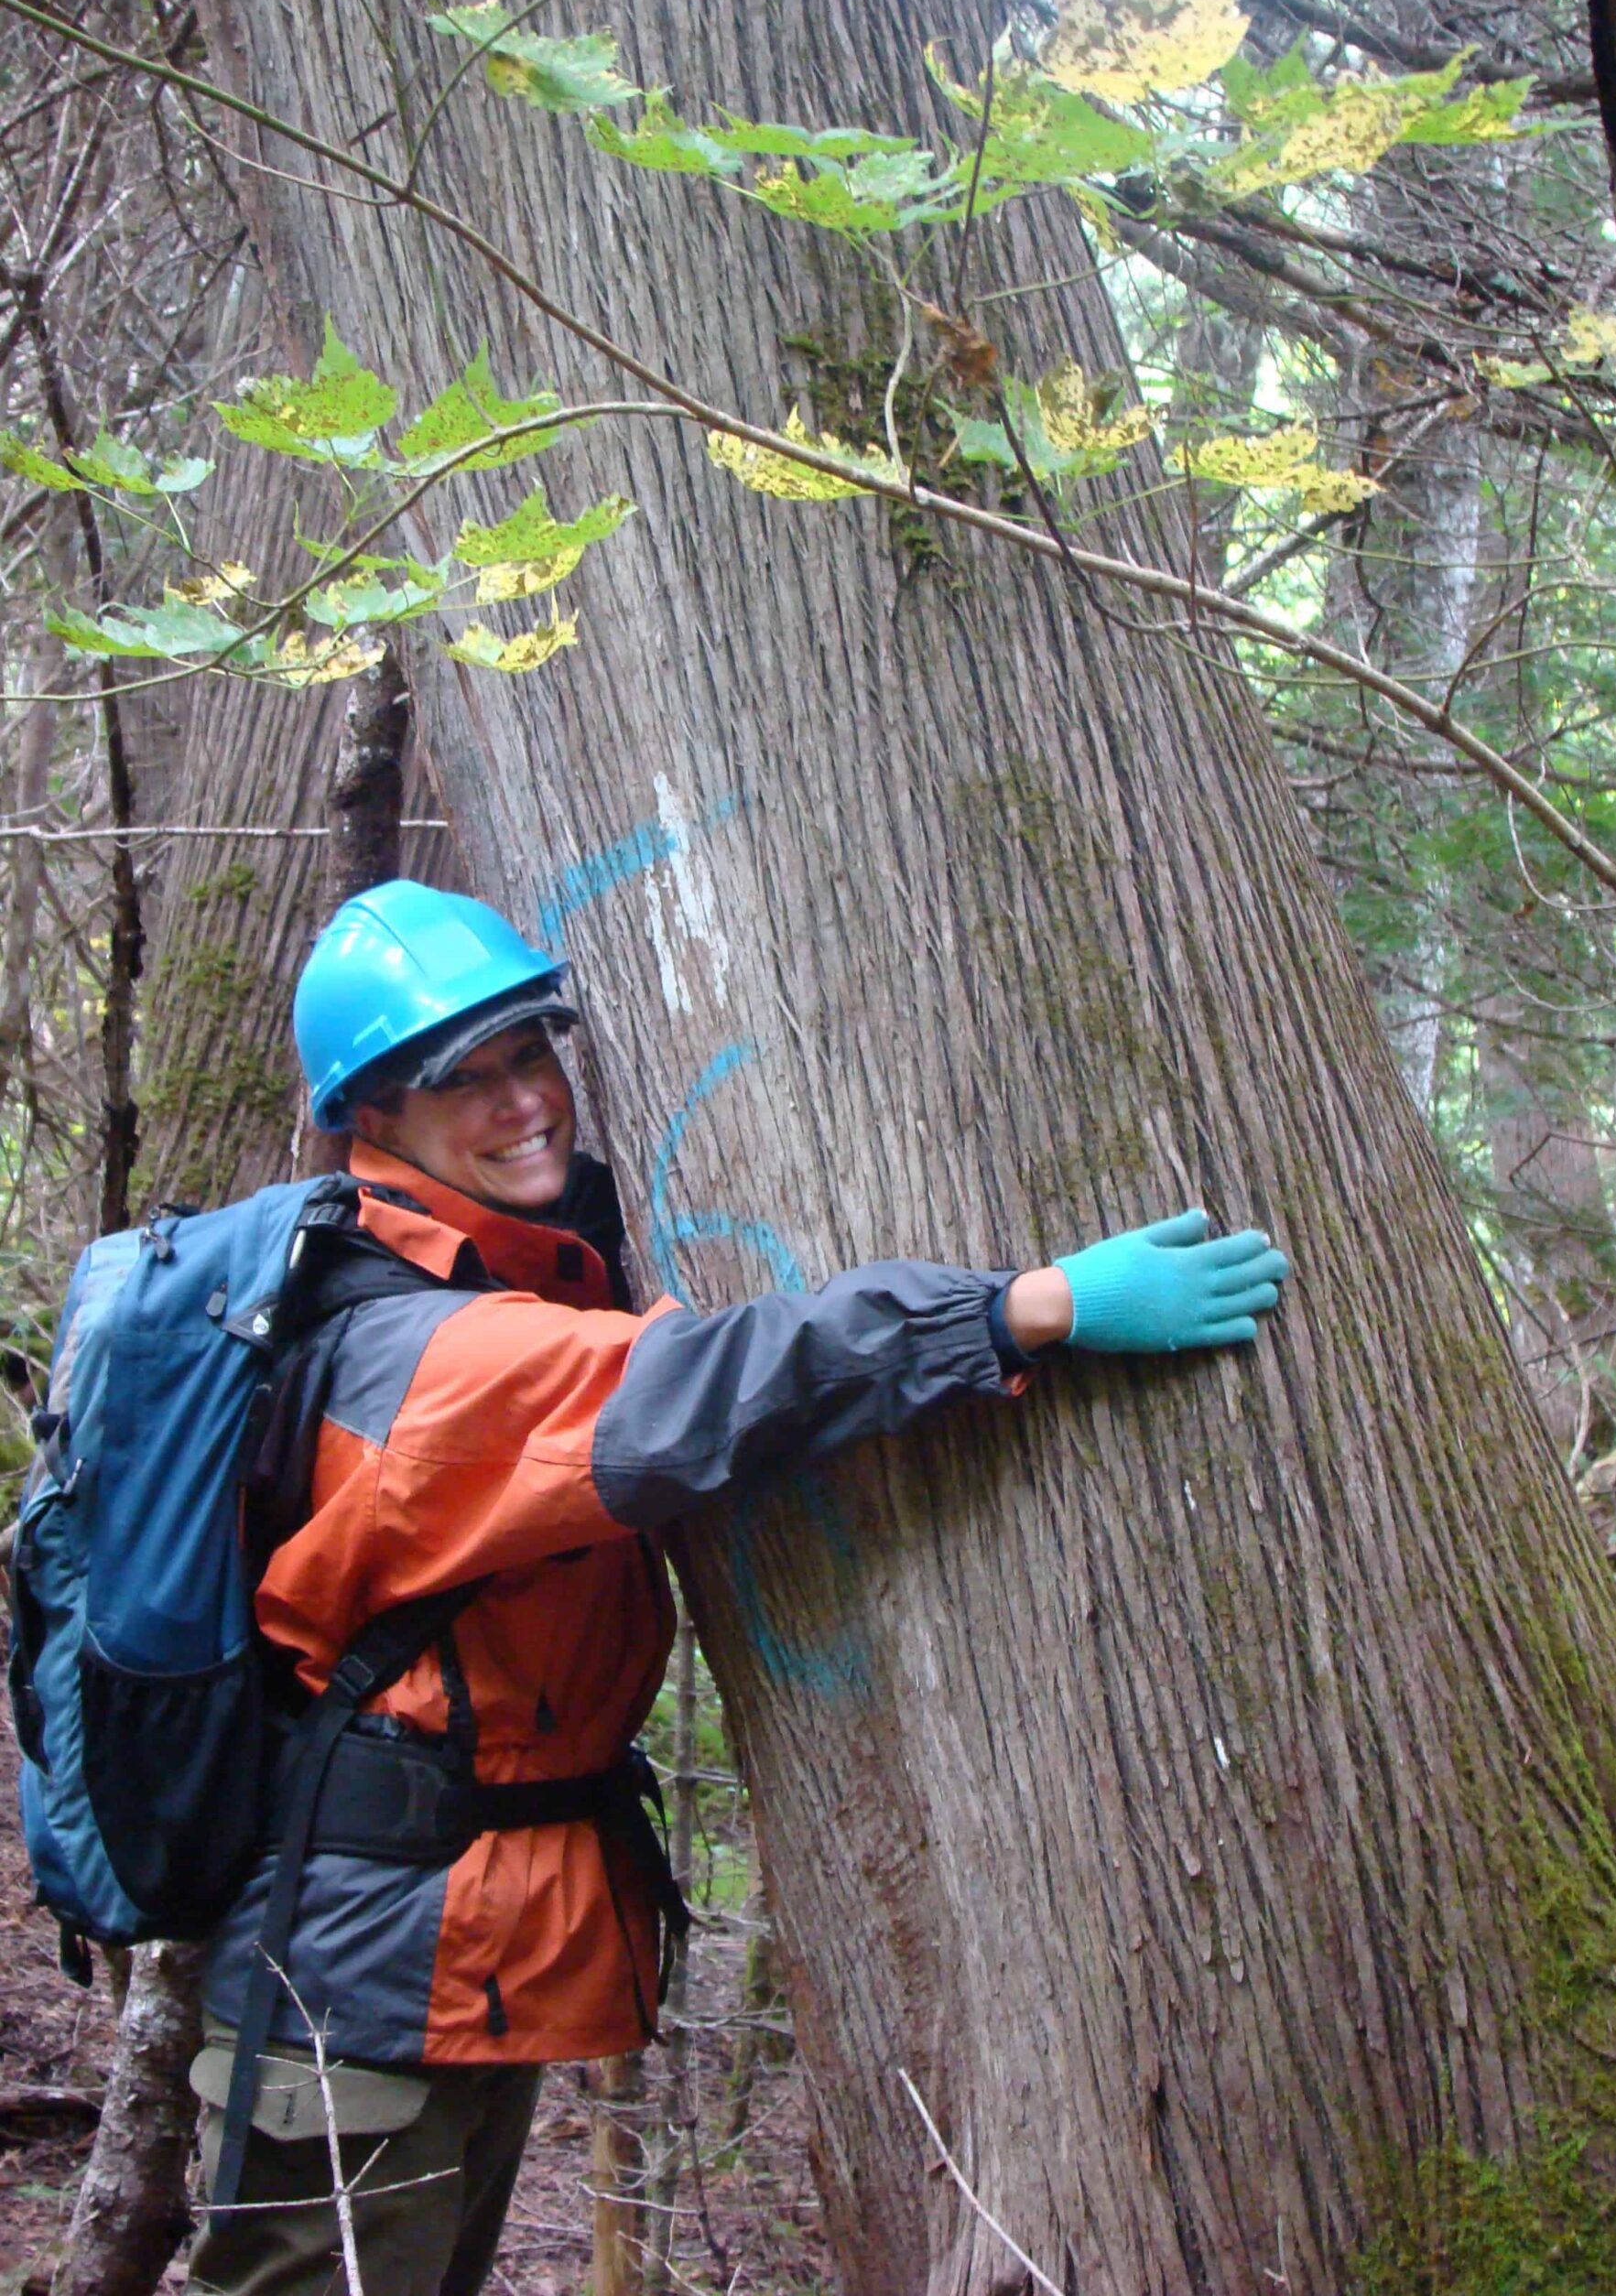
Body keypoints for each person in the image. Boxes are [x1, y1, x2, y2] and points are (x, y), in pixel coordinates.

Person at [188, 880, 1289, 2296]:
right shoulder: (425, 1352)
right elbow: (694, 1387)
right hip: (350, 1984)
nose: (523, 1101)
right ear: (370, 1119)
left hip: (434, 1966)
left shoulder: (469, 1286)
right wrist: (1027, 1306)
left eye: (530, 1053)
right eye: (458, 1079)